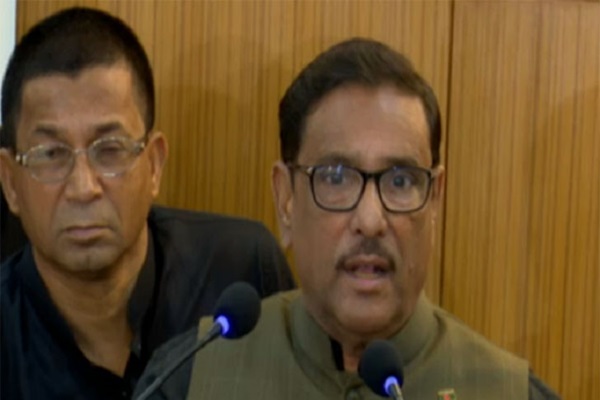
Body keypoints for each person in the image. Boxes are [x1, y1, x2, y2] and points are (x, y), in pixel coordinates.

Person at [133, 38, 561, 400]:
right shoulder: (193, 378)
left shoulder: (506, 390)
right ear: (285, 200)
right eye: (336, 177)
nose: (371, 220)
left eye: (400, 180)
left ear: (435, 200)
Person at [0, 7, 295, 400]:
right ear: (11, 182)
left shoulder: (241, 272)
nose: (83, 188)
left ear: (154, 165)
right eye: (51, 154)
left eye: (110, 149)